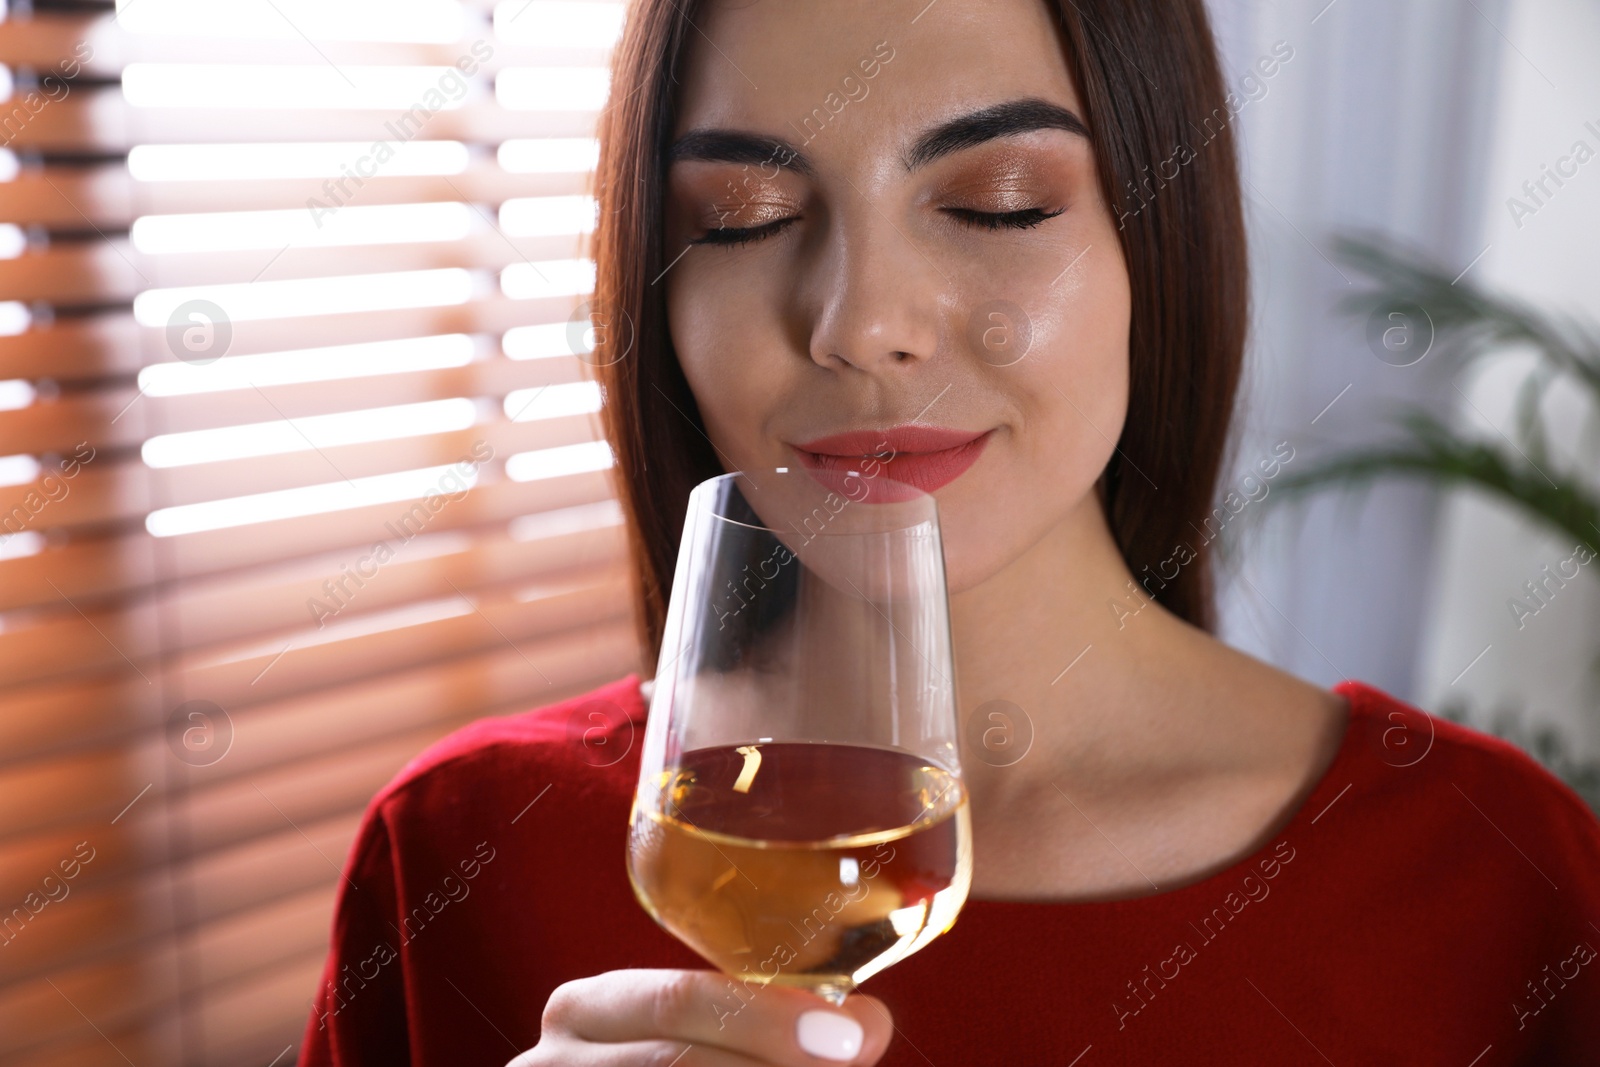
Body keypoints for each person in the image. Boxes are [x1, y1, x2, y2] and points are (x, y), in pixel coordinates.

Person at [300, 0, 1600, 1063]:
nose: (861, 324)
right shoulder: (462, 853)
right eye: (741, 219)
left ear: (1162, 242)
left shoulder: (1507, 880)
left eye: (998, 204)